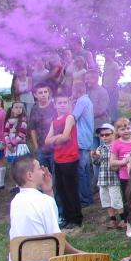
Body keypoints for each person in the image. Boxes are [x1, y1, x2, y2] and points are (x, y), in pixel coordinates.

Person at [7, 156, 84, 261]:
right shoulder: (45, 201)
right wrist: (78, 253)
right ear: (30, 175)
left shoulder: (16, 201)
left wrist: (48, 190)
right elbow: (57, 240)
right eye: (39, 168)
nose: (43, 171)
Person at [44, 93, 83, 230]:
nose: (62, 105)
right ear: (55, 105)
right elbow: (46, 141)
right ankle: (66, 217)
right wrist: (58, 137)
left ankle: (76, 218)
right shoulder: (54, 120)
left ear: (69, 104)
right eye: (59, 103)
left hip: (70, 158)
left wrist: (55, 138)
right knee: (61, 190)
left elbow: (66, 137)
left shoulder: (69, 118)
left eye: (65, 102)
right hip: (58, 158)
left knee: (71, 189)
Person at [109, 117, 131, 238]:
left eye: (128, 128)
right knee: (128, 200)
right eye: (122, 129)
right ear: (117, 131)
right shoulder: (116, 144)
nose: (126, 131)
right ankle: (129, 226)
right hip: (125, 177)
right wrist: (124, 161)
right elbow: (112, 162)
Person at [92, 123, 125, 230]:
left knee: (116, 199)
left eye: (107, 134)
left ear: (113, 134)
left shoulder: (117, 146)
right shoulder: (100, 148)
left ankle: (123, 219)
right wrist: (94, 157)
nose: (104, 137)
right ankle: (112, 219)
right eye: (102, 135)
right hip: (103, 178)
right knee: (106, 199)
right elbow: (97, 163)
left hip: (114, 178)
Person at [71, 81, 95, 207]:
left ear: (77, 90)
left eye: (73, 90)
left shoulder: (81, 101)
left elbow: (73, 117)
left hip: (81, 139)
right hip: (86, 138)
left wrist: (70, 104)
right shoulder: (88, 101)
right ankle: (88, 196)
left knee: (81, 170)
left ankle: (85, 199)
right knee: (85, 170)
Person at [4, 101, 30, 193]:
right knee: (14, 166)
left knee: (21, 166)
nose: (18, 109)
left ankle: (22, 185)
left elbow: (21, 134)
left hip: (20, 147)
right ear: (12, 109)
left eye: (20, 108)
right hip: (11, 147)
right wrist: (8, 143)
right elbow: (5, 133)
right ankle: (17, 185)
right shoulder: (9, 121)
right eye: (16, 107)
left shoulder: (23, 121)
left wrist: (12, 144)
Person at [102, 49, 121, 122]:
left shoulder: (115, 64)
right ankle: (108, 120)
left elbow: (117, 76)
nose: (106, 56)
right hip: (105, 87)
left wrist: (112, 85)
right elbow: (104, 75)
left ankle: (114, 121)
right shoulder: (106, 64)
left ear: (112, 55)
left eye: (107, 54)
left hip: (112, 88)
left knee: (113, 105)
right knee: (106, 105)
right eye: (105, 54)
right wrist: (103, 85)